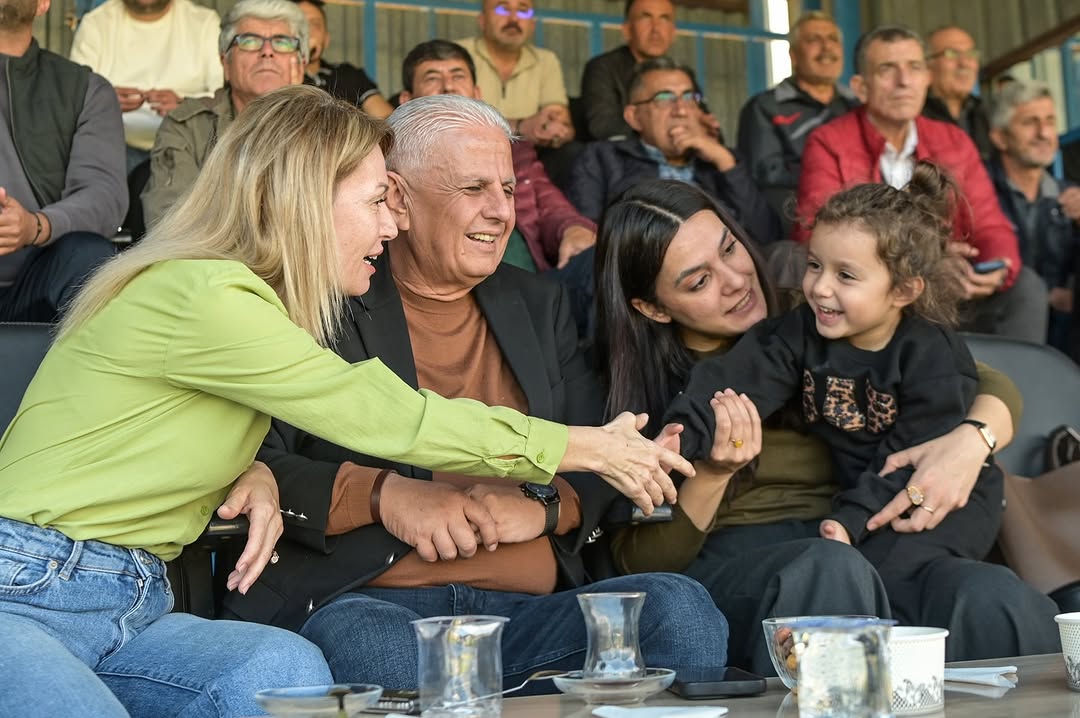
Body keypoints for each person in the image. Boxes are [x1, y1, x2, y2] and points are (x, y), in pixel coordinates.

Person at [0, 85, 688, 717]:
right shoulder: (205, 293)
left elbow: (154, 421)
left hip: (136, 601)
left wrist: (251, 468)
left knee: (284, 671)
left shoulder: (250, 309)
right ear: (303, 201)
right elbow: (383, 412)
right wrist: (586, 445)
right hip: (23, 590)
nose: (391, 229)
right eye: (375, 203)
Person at [222, 93, 729, 690]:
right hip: (378, 604)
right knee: (371, 644)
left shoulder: (539, 304)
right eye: (473, 190)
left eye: (509, 190)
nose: (501, 212)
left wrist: (541, 509)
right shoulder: (324, 295)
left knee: (681, 611)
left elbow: (593, 454)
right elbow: (251, 458)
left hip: (531, 614)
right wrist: (384, 495)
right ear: (399, 200)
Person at [593, 177, 1061, 672]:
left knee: (993, 597)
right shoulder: (633, 391)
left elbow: (982, 381)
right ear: (652, 307)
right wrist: (711, 473)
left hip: (861, 531)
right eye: (699, 281)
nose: (735, 280)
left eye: (730, 250)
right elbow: (642, 563)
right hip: (747, 558)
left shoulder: (819, 313)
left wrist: (971, 441)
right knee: (829, 570)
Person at [666, 162, 1010, 592]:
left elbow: (907, 457)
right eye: (814, 265)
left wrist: (850, 522)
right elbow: (737, 380)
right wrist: (677, 439)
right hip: (862, 500)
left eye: (845, 275)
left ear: (903, 291)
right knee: (840, 575)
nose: (820, 288)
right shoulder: (802, 329)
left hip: (940, 498)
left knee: (882, 580)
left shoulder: (931, 356)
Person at [795, 25, 1047, 343]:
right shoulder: (828, 141)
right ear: (861, 87)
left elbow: (989, 224)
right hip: (874, 291)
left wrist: (996, 269)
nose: (904, 82)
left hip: (949, 290)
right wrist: (933, 261)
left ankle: (1013, 392)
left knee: (1026, 287)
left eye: (914, 67)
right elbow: (818, 234)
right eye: (888, 69)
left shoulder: (954, 140)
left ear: (927, 77)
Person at [398, 39, 594, 272]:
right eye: (432, 78)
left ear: (477, 94)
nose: (448, 87)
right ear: (406, 100)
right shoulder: (393, 159)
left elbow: (550, 205)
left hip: (527, 282)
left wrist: (573, 229)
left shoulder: (514, 151)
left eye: (458, 76)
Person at [567, 57, 778, 247]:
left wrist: (724, 160)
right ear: (634, 117)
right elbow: (589, 239)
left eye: (688, 97)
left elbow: (766, 236)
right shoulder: (602, 158)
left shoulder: (723, 161)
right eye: (664, 97)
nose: (681, 110)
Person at [0, 0, 123, 323]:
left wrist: (34, 226)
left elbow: (104, 197)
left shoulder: (84, 90)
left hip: (35, 279)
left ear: (43, 4)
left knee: (90, 256)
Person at [141, 0, 307, 227]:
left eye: (283, 43)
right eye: (249, 41)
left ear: (301, 64)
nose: (267, 52)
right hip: (211, 260)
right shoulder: (188, 126)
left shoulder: (330, 127)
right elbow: (169, 223)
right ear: (225, 63)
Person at [736, 11, 858, 226]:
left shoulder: (856, 106)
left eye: (832, 39)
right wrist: (831, 173)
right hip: (795, 222)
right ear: (793, 55)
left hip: (857, 216)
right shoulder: (765, 107)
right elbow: (766, 173)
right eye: (814, 40)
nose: (826, 48)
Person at [70, 0, 223, 171]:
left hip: (188, 146)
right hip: (114, 147)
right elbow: (75, 98)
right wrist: (104, 100)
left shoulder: (204, 22)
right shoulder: (95, 23)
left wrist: (186, 106)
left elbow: (225, 97)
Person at [987, 80, 1080, 355]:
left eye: (1050, 121)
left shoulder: (1069, 196)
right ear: (1000, 137)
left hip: (1062, 338)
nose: (1044, 133)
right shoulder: (978, 193)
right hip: (997, 331)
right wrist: (1047, 294)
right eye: (1030, 122)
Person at [457, 0, 573, 151]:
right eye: (503, 9)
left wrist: (555, 129)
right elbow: (449, 122)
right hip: (469, 149)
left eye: (523, 10)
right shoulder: (458, 55)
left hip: (529, 154)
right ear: (482, 20)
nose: (513, 19)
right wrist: (521, 127)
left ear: (532, 24)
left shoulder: (546, 60)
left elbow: (560, 120)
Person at [578, 0, 675, 141]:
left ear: (673, 33)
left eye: (664, 18)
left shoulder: (681, 76)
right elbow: (602, 126)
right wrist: (665, 134)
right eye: (646, 18)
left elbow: (708, 129)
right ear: (627, 30)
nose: (656, 28)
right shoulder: (603, 68)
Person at [290, 0, 393, 117]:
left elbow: (387, 121)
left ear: (326, 39)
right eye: (299, 24)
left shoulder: (348, 74)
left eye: (314, 24)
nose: (307, 31)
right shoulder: (275, 75)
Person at [922, 26, 992, 162]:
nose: (964, 63)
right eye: (952, 54)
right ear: (927, 64)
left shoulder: (989, 114)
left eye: (971, 54)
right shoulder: (912, 117)